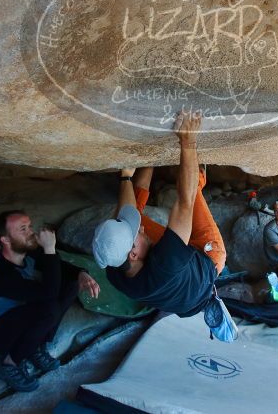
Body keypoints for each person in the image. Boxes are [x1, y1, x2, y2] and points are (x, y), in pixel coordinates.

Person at [92, 111, 227, 321]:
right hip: (208, 257)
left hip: (178, 279)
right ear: (133, 254)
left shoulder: (114, 263)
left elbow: (127, 212)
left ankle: (153, 160)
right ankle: (200, 176)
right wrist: (188, 140)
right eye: (137, 233)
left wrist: (128, 175)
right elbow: (185, 201)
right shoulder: (166, 264)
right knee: (190, 188)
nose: (142, 229)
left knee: (127, 213)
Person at [0, 210, 101, 392]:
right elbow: (49, 292)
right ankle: (8, 364)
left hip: (14, 316)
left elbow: (57, 267)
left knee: (70, 284)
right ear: (5, 240)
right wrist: (50, 249)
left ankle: (35, 346)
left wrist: (80, 273)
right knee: (49, 309)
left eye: (30, 226)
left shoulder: (25, 251)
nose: (31, 232)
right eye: (23, 229)